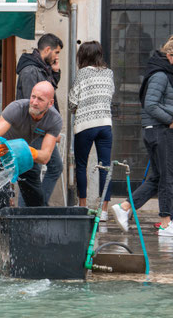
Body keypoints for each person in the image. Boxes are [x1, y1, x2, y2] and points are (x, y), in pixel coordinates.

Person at [111, 35, 173, 237]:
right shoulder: (161, 75)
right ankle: (165, 223)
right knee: (169, 176)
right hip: (160, 130)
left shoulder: (163, 73)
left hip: (156, 130)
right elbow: (151, 104)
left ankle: (125, 207)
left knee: (157, 177)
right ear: (169, 56)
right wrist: (171, 121)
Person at [0, 81, 62, 207]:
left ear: (50, 103)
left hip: (23, 153)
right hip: (0, 151)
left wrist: (30, 151)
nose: (34, 102)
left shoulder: (54, 119)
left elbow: (45, 157)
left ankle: (36, 223)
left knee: (36, 199)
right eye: (33, 97)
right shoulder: (16, 108)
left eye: (40, 99)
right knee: (1, 197)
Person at [15, 33, 64, 205]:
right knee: (31, 173)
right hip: (34, 129)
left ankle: (37, 206)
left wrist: (55, 73)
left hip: (42, 128)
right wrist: (48, 129)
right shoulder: (30, 71)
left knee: (54, 167)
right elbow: (34, 105)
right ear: (48, 49)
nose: (57, 57)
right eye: (56, 53)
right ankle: (27, 211)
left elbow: (48, 93)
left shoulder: (41, 68)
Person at [68, 41, 115, 221]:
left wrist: (80, 107)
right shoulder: (109, 73)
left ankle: (83, 205)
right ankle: (103, 210)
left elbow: (72, 101)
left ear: (84, 56)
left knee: (81, 165)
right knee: (105, 166)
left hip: (85, 125)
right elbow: (110, 95)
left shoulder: (82, 74)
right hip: (105, 124)